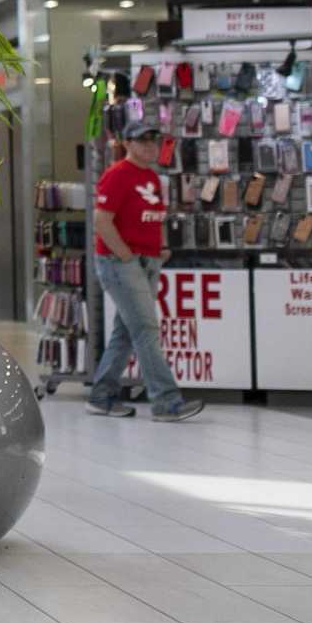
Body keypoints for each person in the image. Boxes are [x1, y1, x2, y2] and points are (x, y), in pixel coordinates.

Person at [89, 122, 204, 421]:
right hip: (122, 263)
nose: (151, 146)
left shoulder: (151, 177)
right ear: (127, 143)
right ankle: (167, 402)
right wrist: (126, 255)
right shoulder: (116, 175)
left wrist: (160, 247)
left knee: (126, 332)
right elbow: (102, 221)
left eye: (155, 140)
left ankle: (101, 396)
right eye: (143, 141)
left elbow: (152, 217)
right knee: (146, 330)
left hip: (146, 261)